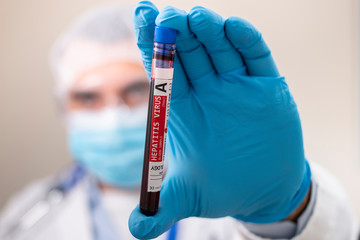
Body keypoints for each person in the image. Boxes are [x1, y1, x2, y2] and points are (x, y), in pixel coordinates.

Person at [0, 1, 358, 239]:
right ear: (64, 109)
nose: (112, 115)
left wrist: (284, 209)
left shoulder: (234, 187)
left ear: (166, 89)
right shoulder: (26, 215)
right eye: (88, 97)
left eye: (136, 90)